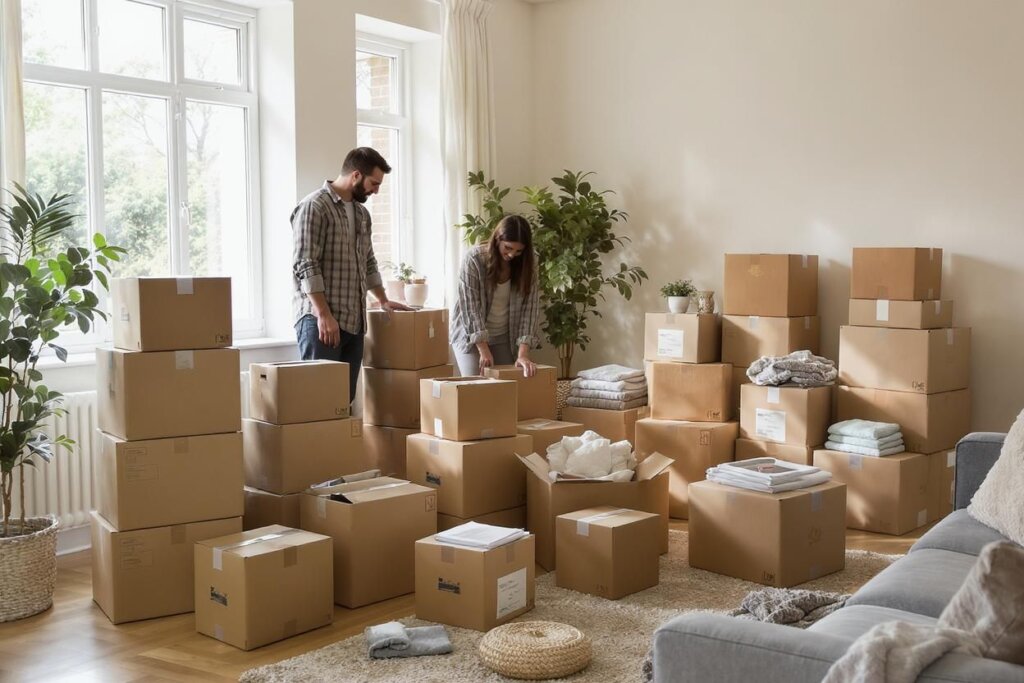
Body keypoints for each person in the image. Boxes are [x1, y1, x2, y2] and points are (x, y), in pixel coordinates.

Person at [291, 147, 411, 403]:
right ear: (356, 175)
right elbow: (305, 264)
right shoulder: (315, 206)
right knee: (319, 404)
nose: (376, 190)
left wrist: (382, 299)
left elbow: (367, 261)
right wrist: (323, 315)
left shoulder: (361, 214)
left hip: (354, 324)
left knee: (342, 404)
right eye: (374, 183)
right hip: (320, 322)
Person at [451, 214, 541, 378]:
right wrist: (483, 350)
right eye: (508, 248)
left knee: (506, 387)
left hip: (504, 335)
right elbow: (470, 308)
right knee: (476, 388)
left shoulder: (530, 262)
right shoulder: (474, 260)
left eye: (519, 251)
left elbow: (530, 308)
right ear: (498, 239)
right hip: (470, 336)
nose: (512, 255)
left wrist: (523, 354)